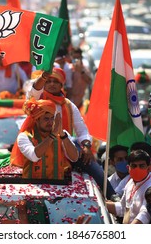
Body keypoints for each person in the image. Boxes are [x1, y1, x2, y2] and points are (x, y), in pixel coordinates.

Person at [28, 67, 115, 197]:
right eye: (49, 81)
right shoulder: (37, 100)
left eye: (55, 81)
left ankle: (111, 194)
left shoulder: (68, 105)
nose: (51, 84)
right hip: (39, 145)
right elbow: (34, 90)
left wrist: (86, 146)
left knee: (87, 159)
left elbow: (82, 130)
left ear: (61, 85)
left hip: (64, 147)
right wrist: (43, 77)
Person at [11, 98, 78, 179]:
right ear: (36, 120)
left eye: (52, 118)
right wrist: (53, 135)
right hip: (33, 186)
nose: (50, 122)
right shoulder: (25, 136)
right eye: (46, 119)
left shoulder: (62, 135)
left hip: (58, 187)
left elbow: (74, 158)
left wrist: (63, 135)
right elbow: (34, 156)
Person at [105, 150, 151, 224]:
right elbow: (122, 208)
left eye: (142, 166)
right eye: (134, 166)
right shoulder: (130, 183)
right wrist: (101, 204)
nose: (137, 169)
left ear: (148, 168)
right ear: (128, 168)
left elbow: (145, 215)